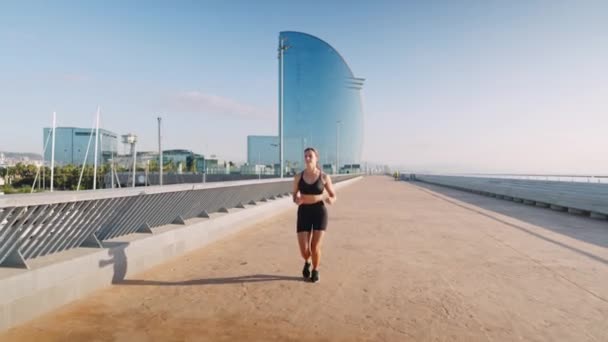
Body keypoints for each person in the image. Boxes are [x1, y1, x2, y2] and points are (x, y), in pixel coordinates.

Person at [292, 147, 337, 283]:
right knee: (304, 250)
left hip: (319, 212)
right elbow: (294, 195)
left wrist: (331, 200)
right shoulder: (298, 177)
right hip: (304, 212)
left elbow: (333, 195)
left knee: (315, 246)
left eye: (310, 156)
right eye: (305, 156)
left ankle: (315, 270)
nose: (307, 158)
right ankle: (307, 261)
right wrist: (296, 199)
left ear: (316, 158)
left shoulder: (324, 177)